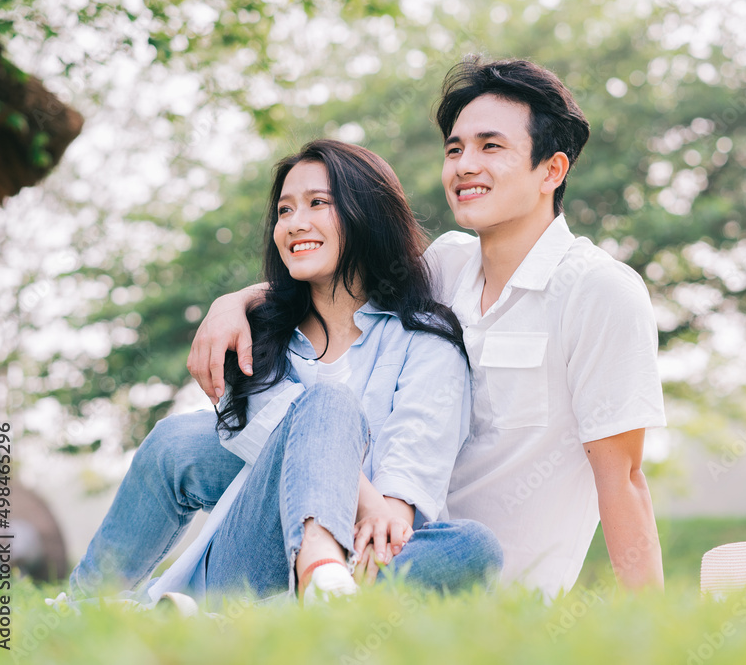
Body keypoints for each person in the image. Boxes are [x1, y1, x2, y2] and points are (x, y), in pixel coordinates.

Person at [190, 57, 667, 599]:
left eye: (491, 147)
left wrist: (653, 631)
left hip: (483, 583)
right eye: (455, 148)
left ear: (551, 170)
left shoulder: (599, 291)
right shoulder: (447, 265)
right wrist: (235, 303)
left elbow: (624, 478)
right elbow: (336, 283)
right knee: (194, 440)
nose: (464, 165)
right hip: (376, 544)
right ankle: (181, 591)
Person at [69, 139, 502, 607]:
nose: (295, 223)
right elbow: (265, 432)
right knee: (205, 432)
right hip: (247, 561)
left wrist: (384, 511)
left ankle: (265, 613)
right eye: (285, 210)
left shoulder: (426, 339)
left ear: (368, 213)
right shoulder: (260, 338)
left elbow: (414, 465)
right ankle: (85, 604)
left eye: (318, 203)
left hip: (366, 553)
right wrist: (365, 500)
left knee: (473, 548)